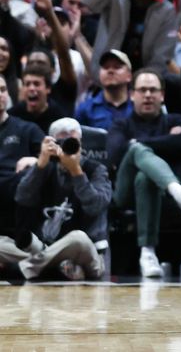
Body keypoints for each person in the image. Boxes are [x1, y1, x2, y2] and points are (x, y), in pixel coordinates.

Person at [108, 68, 181, 278]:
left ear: (162, 95)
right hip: (126, 195)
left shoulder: (175, 120)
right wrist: (161, 143)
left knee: (145, 176)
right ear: (132, 94)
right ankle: (178, 190)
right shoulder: (120, 124)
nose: (148, 95)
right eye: (142, 90)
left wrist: (138, 143)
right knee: (135, 151)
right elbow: (115, 153)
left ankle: (148, 252)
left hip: (161, 197)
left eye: (153, 90)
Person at [12, 118, 110, 280]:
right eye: (62, 141)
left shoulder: (96, 169)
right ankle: (58, 266)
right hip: (44, 247)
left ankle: (26, 267)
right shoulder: (44, 167)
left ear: (81, 143)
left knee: (77, 238)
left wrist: (76, 171)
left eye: (72, 141)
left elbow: (95, 206)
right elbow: (22, 198)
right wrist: (40, 165)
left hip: (87, 253)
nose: (67, 146)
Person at [83, 0, 177, 77]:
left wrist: (145, 81)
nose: (147, 0)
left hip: (143, 78)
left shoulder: (166, 11)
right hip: (105, 70)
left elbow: (162, 56)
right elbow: (89, 2)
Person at [0, 74, 43, 229]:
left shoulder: (27, 128)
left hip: (16, 197)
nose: (0, 95)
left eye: (3, 90)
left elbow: (56, 158)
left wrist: (38, 161)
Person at [74, 50, 133, 130]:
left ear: (129, 76)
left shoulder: (138, 106)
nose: (110, 71)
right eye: (105, 67)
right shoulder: (86, 109)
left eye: (117, 67)